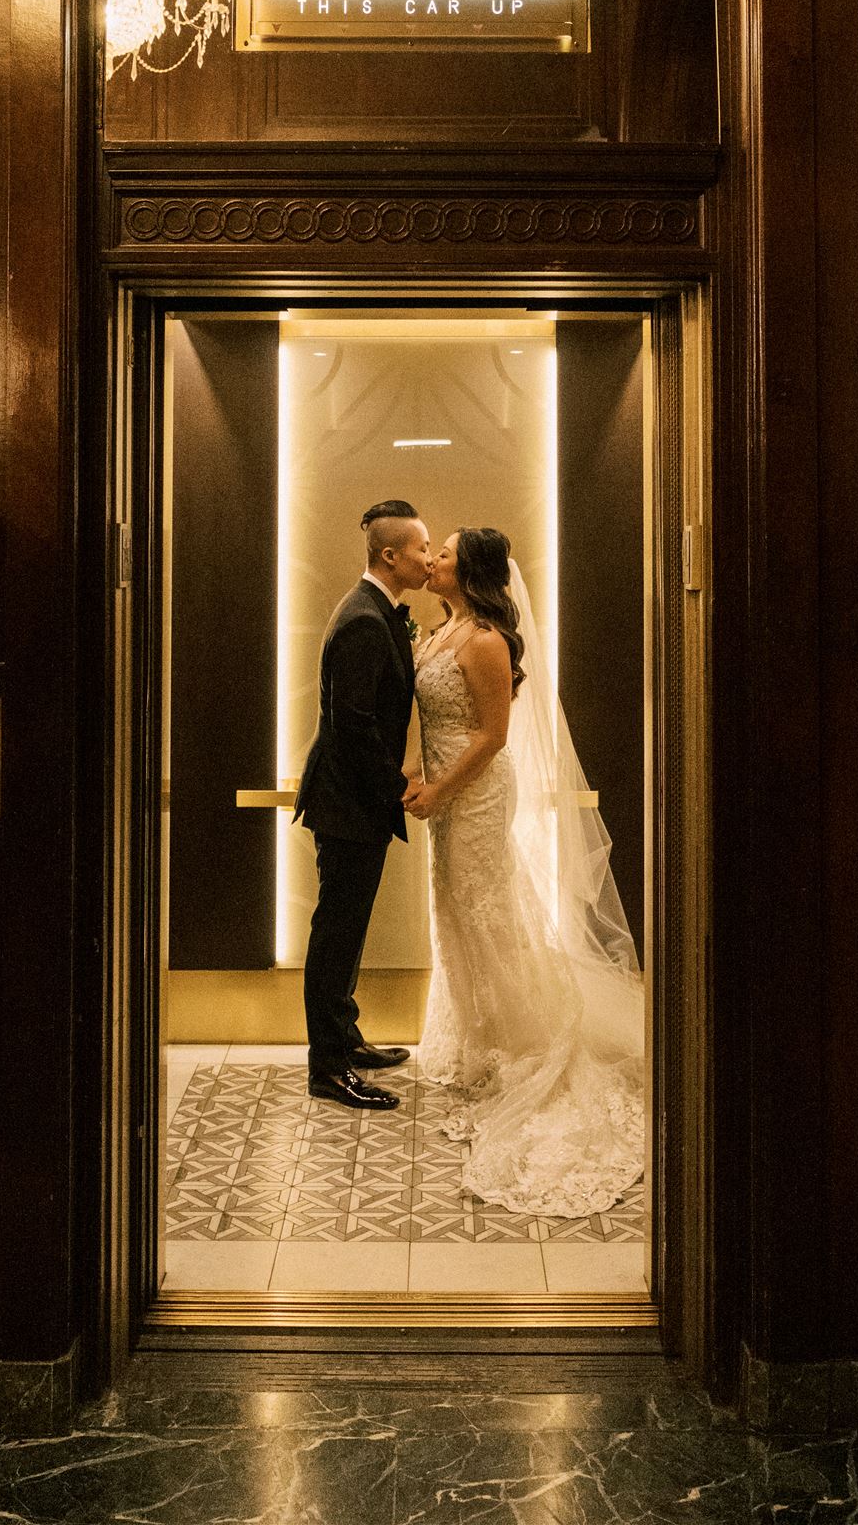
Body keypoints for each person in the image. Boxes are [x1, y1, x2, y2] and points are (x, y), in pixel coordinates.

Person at [404, 527, 644, 1214]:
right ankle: (479, 1036)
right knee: (454, 910)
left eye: (443, 552)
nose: (433, 559)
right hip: (445, 786)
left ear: (468, 569)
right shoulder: (443, 631)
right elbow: (428, 720)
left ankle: (516, 1041)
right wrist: (414, 774)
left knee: (487, 910)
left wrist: (441, 789)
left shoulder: (484, 641)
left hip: (475, 791)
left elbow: (491, 734)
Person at [294, 500, 431, 1109]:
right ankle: (327, 1065)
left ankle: (345, 1037)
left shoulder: (378, 612)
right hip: (348, 801)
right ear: (390, 555)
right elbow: (353, 724)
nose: (429, 560)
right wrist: (396, 787)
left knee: (348, 929)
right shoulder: (364, 620)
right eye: (422, 550)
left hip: (355, 800)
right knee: (336, 932)